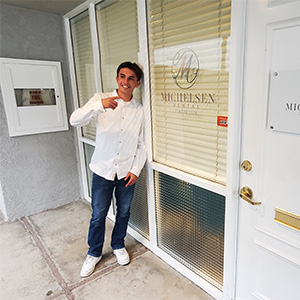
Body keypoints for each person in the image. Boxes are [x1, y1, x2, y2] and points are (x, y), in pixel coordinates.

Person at [70, 61, 146, 277]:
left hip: (125, 173)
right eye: (122, 76)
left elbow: (142, 142)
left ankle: (118, 245)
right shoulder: (100, 100)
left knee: (123, 212)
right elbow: (74, 120)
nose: (125, 81)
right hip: (103, 171)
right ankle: (93, 253)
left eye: (131, 78)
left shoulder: (140, 110)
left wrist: (135, 169)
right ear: (117, 79)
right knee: (98, 214)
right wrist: (99, 105)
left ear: (137, 83)